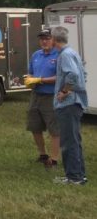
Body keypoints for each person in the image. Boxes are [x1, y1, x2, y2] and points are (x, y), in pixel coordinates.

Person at [50, 26, 88, 186]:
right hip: (76, 102)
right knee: (74, 140)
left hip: (68, 104)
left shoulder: (64, 55)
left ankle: (74, 178)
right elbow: (83, 74)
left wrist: (65, 91)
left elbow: (72, 74)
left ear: (54, 40)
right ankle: (79, 174)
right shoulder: (72, 53)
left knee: (68, 141)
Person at [24, 29, 59, 168]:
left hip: (51, 96)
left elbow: (60, 77)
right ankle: (43, 154)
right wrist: (29, 79)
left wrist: (40, 79)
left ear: (53, 40)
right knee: (34, 126)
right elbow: (30, 72)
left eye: (47, 38)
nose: (44, 41)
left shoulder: (59, 56)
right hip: (36, 95)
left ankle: (54, 159)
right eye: (42, 38)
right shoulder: (36, 55)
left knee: (54, 129)